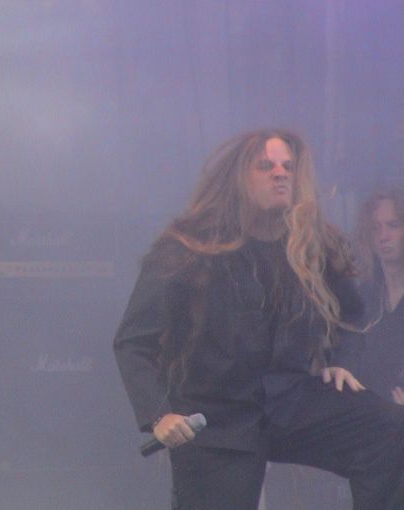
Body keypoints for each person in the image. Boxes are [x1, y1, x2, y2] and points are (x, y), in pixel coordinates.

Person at [113, 129, 404, 510]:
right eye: (266, 166)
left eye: (288, 166)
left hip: (291, 403)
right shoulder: (188, 247)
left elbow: (351, 314)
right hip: (217, 420)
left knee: (390, 429)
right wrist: (159, 414)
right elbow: (134, 340)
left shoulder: (310, 244)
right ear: (238, 177)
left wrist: (339, 360)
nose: (280, 174)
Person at [352, 189, 404, 403]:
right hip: (370, 410)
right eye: (376, 228)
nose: (384, 236)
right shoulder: (363, 297)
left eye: (393, 225)